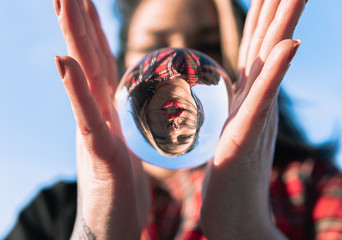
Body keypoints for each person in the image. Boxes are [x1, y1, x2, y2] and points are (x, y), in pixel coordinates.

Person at [6, 0, 342, 239]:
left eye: (206, 44)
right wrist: (96, 232)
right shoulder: (54, 211)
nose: (178, 64)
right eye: (154, 46)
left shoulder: (314, 186)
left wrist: (247, 230)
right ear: (124, 71)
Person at [123, 48, 221, 156]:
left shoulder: (133, 77)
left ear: (145, 113)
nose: (173, 131)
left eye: (162, 138)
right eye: (184, 137)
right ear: (197, 114)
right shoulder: (211, 70)